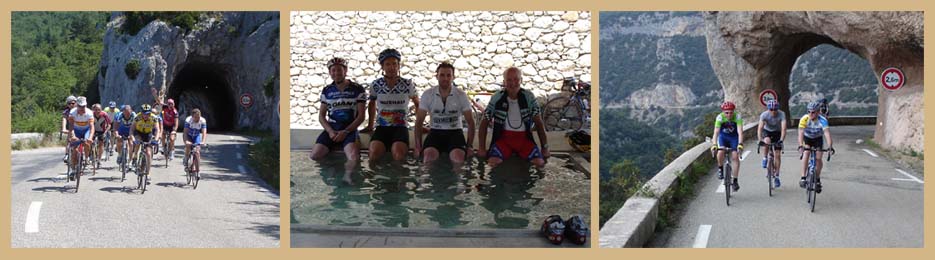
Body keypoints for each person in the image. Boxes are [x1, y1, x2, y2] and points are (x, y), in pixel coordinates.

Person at [477, 67, 550, 169]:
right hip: (503, 140)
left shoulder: (529, 97)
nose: (513, 83)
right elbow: (484, 122)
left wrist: (545, 148)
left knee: (539, 163)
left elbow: (539, 123)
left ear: (521, 80)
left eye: (516, 79)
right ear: (504, 82)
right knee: (492, 163)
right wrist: (481, 148)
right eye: (509, 80)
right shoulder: (497, 98)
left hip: (524, 140)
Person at [362, 48, 420, 161]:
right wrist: (370, 125)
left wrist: (419, 125)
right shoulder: (376, 85)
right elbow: (372, 104)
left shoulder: (408, 84)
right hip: (381, 127)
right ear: (382, 66)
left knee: (398, 154)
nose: (391, 67)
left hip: (400, 127)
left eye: (394, 64)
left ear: (399, 66)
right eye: (388, 64)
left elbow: (418, 104)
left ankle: (398, 178)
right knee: (373, 154)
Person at [414, 62, 475, 164]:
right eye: (442, 75)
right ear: (437, 76)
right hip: (435, 132)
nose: (445, 78)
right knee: (428, 157)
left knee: (458, 158)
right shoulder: (428, 94)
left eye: (448, 75)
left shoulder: (461, 95)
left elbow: (471, 122)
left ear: (453, 77)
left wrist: (469, 146)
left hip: (455, 132)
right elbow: (419, 122)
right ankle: (427, 180)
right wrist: (418, 146)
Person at [309, 57, 367, 164]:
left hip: (349, 129)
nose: (336, 73)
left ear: (345, 71)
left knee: (353, 158)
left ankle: (348, 180)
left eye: (339, 69)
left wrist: (345, 132)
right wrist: (330, 131)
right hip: (332, 129)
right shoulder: (326, 90)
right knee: (314, 156)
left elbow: (361, 116)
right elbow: (321, 116)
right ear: (330, 73)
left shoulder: (357, 89)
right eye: (333, 70)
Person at [797, 101, 834, 193]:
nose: (810, 114)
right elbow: (800, 133)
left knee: (818, 158)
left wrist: (830, 147)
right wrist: (801, 145)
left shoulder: (823, 120)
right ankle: (803, 177)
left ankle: (817, 179)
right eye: (809, 111)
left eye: (813, 112)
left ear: (818, 112)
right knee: (806, 152)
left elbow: (827, 134)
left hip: (818, 139)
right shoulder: (804, 119)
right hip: (807, 138)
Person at [711, 101, 744, 192]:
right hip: (723, 137)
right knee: (720, 151)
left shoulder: (737, 117)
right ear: (723, 112)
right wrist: (714, 144)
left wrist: (740, 144)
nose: (729, 114)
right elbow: (716, 133)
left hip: (734, 138)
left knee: (735, 156)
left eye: (731, 112)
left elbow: (740, 132)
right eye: (726, 112)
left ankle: (735, 180)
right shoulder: (720, 117)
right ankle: (720, 168)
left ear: (734, 111)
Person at [757, 99, 786, 188]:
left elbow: (784, 129)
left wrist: (781, 140)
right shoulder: (764, 115)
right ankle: (765, 157)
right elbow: (760, 128)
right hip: (767, 132)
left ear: (778, 109)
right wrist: (760, 139)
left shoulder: (781, 114)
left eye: (775, 109)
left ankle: (777, 176)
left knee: (777, 155)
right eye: (771, 109)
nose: (773, 111)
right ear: (768, 109)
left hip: (777, 132)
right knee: (767, 142)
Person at [66, 97, 94, 180]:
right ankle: (73, 169)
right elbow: (71, 126)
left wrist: (90, 137)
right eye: (80, 106)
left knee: (87, 143)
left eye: (84, 106)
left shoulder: (89, 113)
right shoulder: (72, 112)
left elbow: (92, 127)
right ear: (77, 106)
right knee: (75, 150)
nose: (82, 108)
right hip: (76, 130)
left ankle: (86, 157)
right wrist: (72, 135)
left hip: (86, 130)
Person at [130, 104, 161, 176]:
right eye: (144, 113)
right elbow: (131, 130)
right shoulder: (137, 117)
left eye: (148, 113)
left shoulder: (154, 118)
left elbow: (157, 130)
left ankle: (148, 173)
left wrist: (156, 140)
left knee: (149, 153)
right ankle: (135, 157)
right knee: (137, 142)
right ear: (141, 113)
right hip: (138, 132)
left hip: (148, 133)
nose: (146, 115)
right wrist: (133, 139)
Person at [61, 95, 78, 163]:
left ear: (76, 103)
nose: (71, 105)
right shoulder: (66, 112)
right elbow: (64, 120)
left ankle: (86, 155)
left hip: (79, 127)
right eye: (69, 103)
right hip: (70, 128)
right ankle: (67, 154)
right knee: (69, 140)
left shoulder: (79, 110)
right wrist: (64, 128)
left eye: (73, 103)